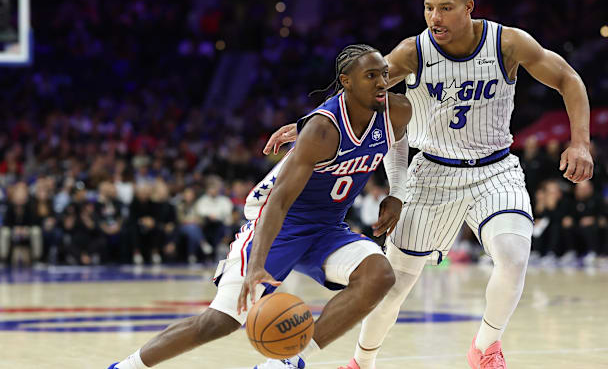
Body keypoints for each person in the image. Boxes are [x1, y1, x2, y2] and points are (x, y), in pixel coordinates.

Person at [264, 0, 593, 369]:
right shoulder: (411, 52)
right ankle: (361, 362)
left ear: (469, 8)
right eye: (428, 8)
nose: (434, 17)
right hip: (432, 173)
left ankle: (485, 347)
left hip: (495, 170)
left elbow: (568, 79)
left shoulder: (506, 42)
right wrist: (306, 124)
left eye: (445, 8)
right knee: (396, 284)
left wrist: (580, 143)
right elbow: (358, 92)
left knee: (513, 256)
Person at [108, 44, 412, 369]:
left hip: (327, 229)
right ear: (346, 81)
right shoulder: (322, 130)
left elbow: (397, 140)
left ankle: (288, 361)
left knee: (379, 276)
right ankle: (126, 367)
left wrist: (397, 191)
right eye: (370, 76)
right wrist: (256, 265)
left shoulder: (397, 110)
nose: (382, 82)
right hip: (280, 223)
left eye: (383, 74)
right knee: (219, 321)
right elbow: (278, 201)